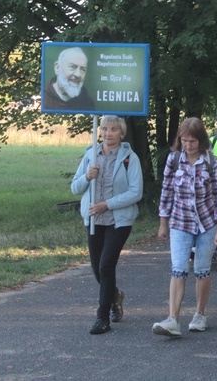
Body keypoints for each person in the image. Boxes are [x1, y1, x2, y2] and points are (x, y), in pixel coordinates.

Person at [152, 118, 217, 337]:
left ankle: (199, 314)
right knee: (178, 269)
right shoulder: (174, 160)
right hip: (179, 221)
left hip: (207, 223)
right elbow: (166, 191)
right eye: (184, 141)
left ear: (201, 141)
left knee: (202, 270)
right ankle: (172, 320)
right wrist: (162, 223)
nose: (188, 145)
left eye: (192, 141)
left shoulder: (212, 162)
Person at [71, 115, 143, 335]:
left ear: (121, 133)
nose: (108, 133)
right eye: (104, 129)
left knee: (106, 265)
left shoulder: (130, 158)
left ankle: (102, 317)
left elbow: (136, 192)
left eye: (113, 129)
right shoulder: (90, 155)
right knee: (96, 269)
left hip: (118, 220)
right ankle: (115, 296)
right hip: (94, 219)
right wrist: (87, 176)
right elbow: (75, 188)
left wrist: (107, 205)